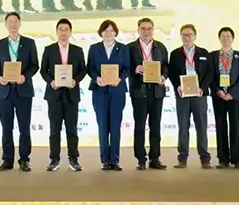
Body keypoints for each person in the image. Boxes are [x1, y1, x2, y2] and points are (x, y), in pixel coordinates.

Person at [0, 12, 39, 172]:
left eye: (15, 21)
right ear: (6, 24)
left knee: (24, 127)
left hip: (23, 91)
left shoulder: (29, 43)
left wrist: (24, 77)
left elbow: (34, 65)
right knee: (6, 128)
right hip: (5, 92)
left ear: (20, 23)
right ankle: (7, 160)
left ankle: (24, 159)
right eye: (10, 22)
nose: (13, 24)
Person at [39, 18, 86, 171]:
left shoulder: (77, 50)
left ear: (70, 32)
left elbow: (83, 70)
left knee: (72, 129)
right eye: (61, 29)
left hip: (72, 95)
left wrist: (75, 80)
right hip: (54, 94)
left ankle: (74, 159)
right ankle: (54, 160)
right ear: (56, 32)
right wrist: (51, 82)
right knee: (54, 129)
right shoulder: (49, 49)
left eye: (66, 30)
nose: (63, 32)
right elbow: (43, 70)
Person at [87, 19, 130, 171]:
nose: (108, 33)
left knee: (115, 126)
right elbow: (90, 68)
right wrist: (96, 78)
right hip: (100, 91)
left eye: (111, 31)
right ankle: (105, 160)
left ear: (116, 33)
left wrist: (120, 78)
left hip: (117, 91)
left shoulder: (123, 48)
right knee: (103, 126)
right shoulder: (94, 48)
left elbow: (127, 68)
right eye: (105, 31)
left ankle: (115, 160)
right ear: (101, 33)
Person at [168, 24, 213, 169]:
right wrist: (177, 86)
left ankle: (205, 158)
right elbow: (171, 73)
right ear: (181, 36)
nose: (187, 38)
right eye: (184, 35)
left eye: (189, 35)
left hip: (199, 94)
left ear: (195, 36)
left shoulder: (204, 53)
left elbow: (210, 73)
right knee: (183, 126)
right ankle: (182, 157)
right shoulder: (175, 54)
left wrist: (203, 87)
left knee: (201, 126)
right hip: (182, 94)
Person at [128, 17, 168, 170]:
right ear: (138, 30)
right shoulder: (130, 48)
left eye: (149, 28)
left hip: (157, 91)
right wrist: (134, 69)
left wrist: (163, 76)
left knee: (155, 125)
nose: (146, 31)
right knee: (139, 126)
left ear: (153, 30)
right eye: (143, 29)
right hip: (139, 91)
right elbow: (124, 67)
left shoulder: (160, 47)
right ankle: (140, 159)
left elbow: (166, 67)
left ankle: (155, 158)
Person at [209, 26, 239, 169]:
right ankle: (223, 159)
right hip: (218, 96)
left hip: (234, 97)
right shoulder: (213, 56)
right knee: (220, 126)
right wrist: (217, 90)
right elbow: (210, 75)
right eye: (223, 36)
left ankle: (237, 159)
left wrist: (232, 92)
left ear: (233, 39)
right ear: (219, 38)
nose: (226, 39)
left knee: (235, 126)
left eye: (228, 36)